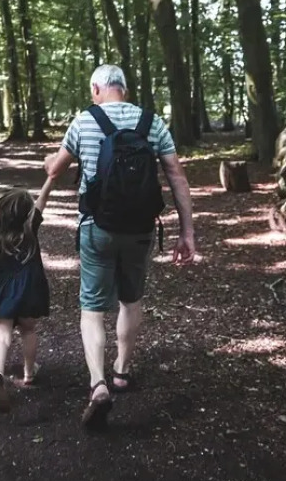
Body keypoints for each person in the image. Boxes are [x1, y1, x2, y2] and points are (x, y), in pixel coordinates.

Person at [44, 64, 195, 429]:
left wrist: (51, 160)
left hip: (97, 227)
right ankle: (122, 370)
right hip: (140, 228)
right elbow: (176, 174)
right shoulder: (151, 122)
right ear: (123, 89)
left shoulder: (84, 121)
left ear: (98, 88)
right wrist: (187, 232)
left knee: (92, 308)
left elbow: (56, 169)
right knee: (131, 300)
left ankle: (97, 384)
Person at [0, 178, 54, 413]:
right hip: (28, 291)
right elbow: (43, 200)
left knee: (2, 337)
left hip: (1, 292)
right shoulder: (30, 227)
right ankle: (28, 372)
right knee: (28, 330)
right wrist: (51, 179)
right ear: (27, 213)